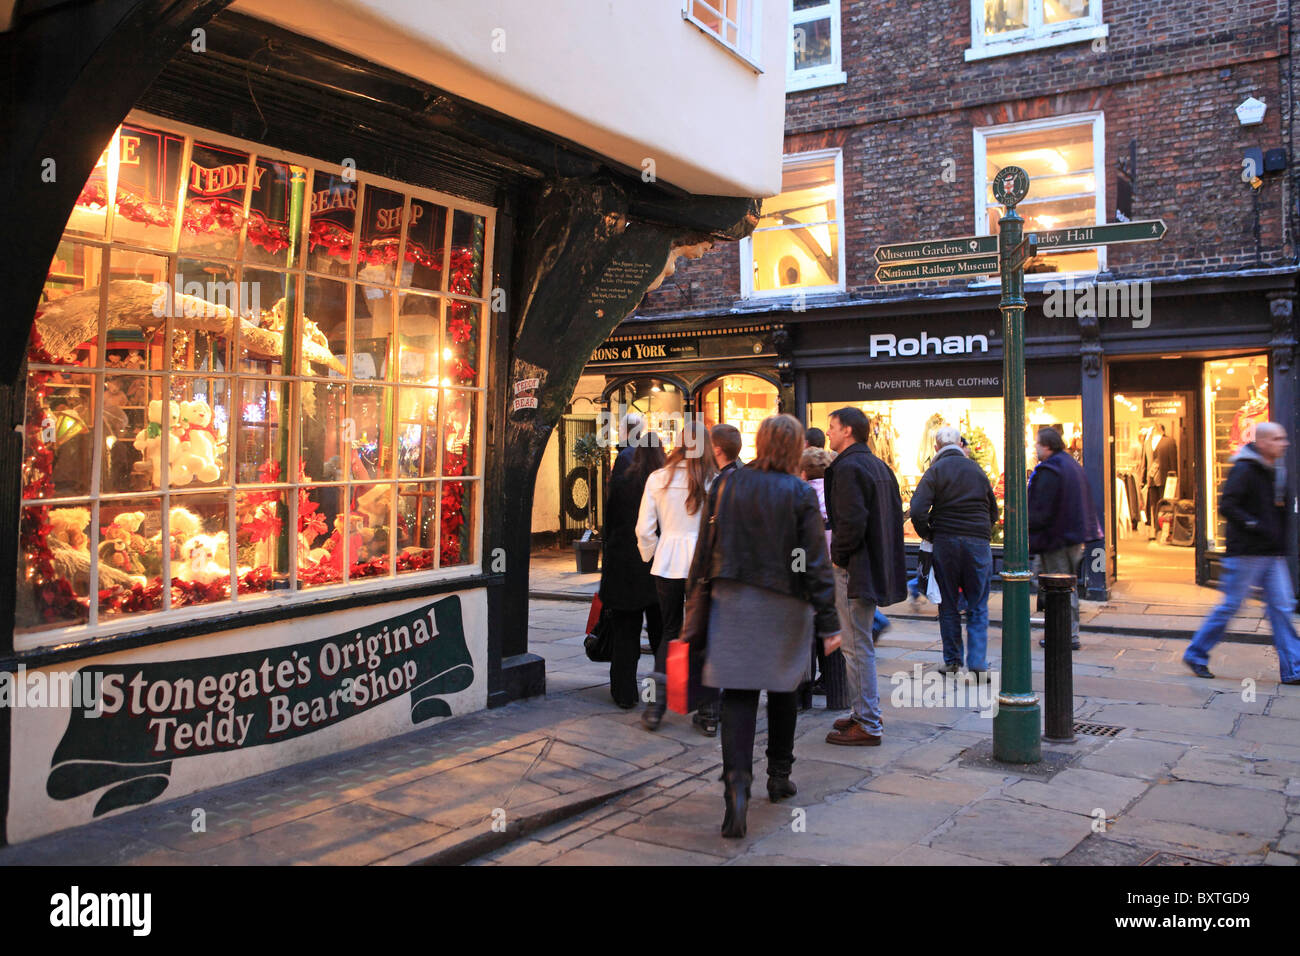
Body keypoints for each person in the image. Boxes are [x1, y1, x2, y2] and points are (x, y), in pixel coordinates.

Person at [697, 414, 840, 837]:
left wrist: (696, 601)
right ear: (795, 446)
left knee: (738, 696)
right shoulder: (798, 492)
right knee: (783, 692)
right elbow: (814, 560)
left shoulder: (728, 483)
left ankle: (736, 790)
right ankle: (779, 776)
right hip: (784, 602)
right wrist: (829, 621)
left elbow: (707, 547)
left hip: (733, 598)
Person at [1184, 423, 1300, 682]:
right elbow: (1227, 505)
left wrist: (1280, 544)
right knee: (1230, 606)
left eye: (1284, 438)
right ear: (1262, 443)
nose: (1285, 443)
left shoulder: (1276, 470)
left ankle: (1294, 668)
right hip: (1246, 554)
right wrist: (1254, 525)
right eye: (1278, 439)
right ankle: (1196, 653)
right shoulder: (1244, 469)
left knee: (1282, 607)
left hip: (1271, 554)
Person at [823, 406, 907, 745]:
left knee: (856, 646)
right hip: (871, 565)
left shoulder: (849, 467)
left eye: (832, 427)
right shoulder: (877, 465)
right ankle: (862, 712)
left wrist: (838, 558)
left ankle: (868, 723)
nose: (827, 432)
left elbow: (851, 522)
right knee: (858, 645)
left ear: (848, 431)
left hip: (855, 569)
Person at [637, 420, 719, 733]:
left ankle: (655, 709)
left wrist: (653, 553)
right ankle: (709, 711)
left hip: (668, 563)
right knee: (703, 634)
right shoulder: (713, 479)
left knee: (669, 632)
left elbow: (643, 529)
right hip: (703, 565)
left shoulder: (658, 477)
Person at [909, 425, 999, 673]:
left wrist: (928, 533)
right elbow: (994, 511)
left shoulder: (935, 471)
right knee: (978, 603)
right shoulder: (977, 470)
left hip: (946, 542)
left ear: (936, 447)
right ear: (960, 445)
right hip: (977, 543)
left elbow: (916, 510)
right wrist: (981, 531)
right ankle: (978, 663)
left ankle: (952, 661)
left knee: (948, 602)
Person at [600, 438, 664, 709]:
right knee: (662, 632)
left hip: (624, 565)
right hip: (658, 564)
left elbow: (611, 522)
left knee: (626, 632)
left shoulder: (622, 481)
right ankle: (664, 693)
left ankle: (624, 692)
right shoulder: (664, 483)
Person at [1028, 426, 1101, 649]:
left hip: (1056, 539)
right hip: (1068, 537)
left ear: (1047, 446)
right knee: (1054, 584)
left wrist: (1029, 528)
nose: (1035, 448)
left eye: (1037, 444)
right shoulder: (1070, 465)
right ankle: (1062, 631)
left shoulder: (1052, 470)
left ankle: (1066, 634)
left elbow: (1041, 510)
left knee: (1059, 587)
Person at [1143, 422, 1178, 540]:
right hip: (1151, 479)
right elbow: (1145, 462)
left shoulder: (1169, 441)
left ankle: (1166, 531)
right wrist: (1143, 479)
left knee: (1166, 506)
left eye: (1155, 427)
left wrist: (1174, 478)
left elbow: (1173, 460)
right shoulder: (1147, 442)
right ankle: (1156, 530)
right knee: (1153, 506)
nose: (1153, 429)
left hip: (1165, 479)